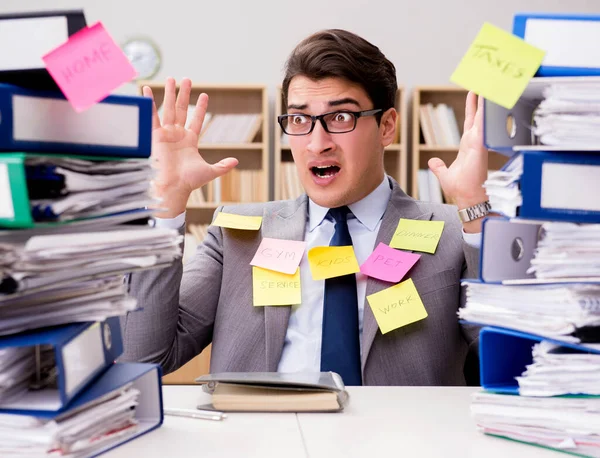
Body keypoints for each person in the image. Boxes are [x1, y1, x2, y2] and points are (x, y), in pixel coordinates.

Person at [120, 28, 489, 386]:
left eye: (340, 117)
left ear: (387, 127)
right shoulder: (236, 233)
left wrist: (474, 207)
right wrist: (166, 205)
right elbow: (143, 356)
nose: (317, 143)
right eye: (299, 119)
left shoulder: (454, 230)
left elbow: (509, 360)